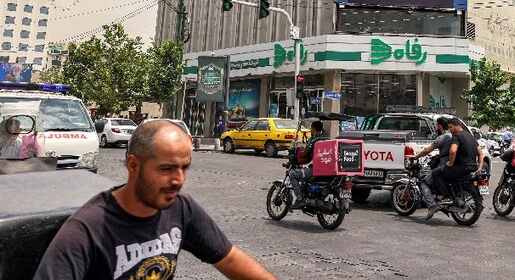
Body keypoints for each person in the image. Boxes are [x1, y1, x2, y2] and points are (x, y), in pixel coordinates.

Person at [33, 120, 275, 279]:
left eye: (183, 167)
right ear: (133, 166)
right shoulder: (86, 231)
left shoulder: (181, 207)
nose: (178, 180)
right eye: (166, 169)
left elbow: (230, 258)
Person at [429, 118, 483, 219]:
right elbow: (480, 153)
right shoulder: (471, 137)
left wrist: (450, 163)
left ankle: (446, 197)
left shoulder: (456, 136)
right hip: (472, 168)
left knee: (436, 172)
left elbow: (453, 151)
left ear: (457, 126)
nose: (450, 130)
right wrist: (479, 167)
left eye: (451, 127)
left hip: (461, 167)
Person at [410, 117, 453, 218]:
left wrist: (416, 156)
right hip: (454, 166)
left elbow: (428, 150)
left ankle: (432, 206)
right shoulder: (453, 136)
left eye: (437, 125)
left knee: (424, 181)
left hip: (444, 166)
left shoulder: (443, 137)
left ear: (440, 126)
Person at [287, 120, 329, 209]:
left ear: (313, 129)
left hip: (316, 171)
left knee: (292, 174)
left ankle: (300, 199)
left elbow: (304, 154)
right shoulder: (327, 138)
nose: (310, 130)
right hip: (327, 170)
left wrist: (301, 152)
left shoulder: (314, 140)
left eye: (311, 128)